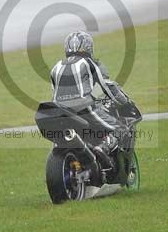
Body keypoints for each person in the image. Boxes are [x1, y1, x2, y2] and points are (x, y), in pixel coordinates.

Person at [49, 30, 131, 170]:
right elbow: (106, 86)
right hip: (84, 108)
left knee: (62, 136)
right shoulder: (89, 63)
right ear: (88, 47)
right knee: (121, 129)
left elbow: (54, 92)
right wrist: (125, 102)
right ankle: (102, 149)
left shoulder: (56, 67)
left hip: (59, 112)